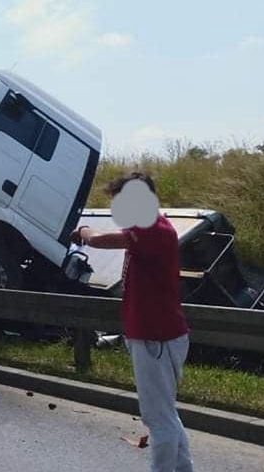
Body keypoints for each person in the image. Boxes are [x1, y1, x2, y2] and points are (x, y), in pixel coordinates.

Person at [71, 172, 192, 472]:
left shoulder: (152, 229)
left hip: (156, 337)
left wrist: (82, 230)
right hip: (159, 334)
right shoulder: (153, 226)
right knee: (166, 413)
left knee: (158, 418)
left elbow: (98, 240)